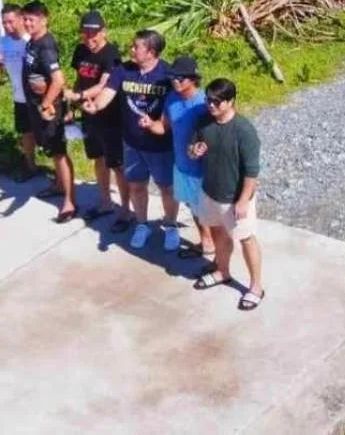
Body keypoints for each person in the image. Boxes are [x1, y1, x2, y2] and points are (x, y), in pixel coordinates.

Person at [94, 29, 179, 251]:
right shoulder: (124, 70)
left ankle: (170, 226)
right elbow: (108, 93)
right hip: (132, 144)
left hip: (161, 146)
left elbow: (178, 104)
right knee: (137, 186)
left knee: (166, 188)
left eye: (136, 46)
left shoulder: (167, 75)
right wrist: (95, 105)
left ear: (151, 52)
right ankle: (142, 225)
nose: (131, 49)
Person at [189, 78, 265, 310]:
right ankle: (222, 271)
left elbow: (252, 171)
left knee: (246, 239)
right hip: (210, 192)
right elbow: (191, 150)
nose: (211, 105)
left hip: (235, 198)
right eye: (208, 100)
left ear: (230, 101)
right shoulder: (204, 122)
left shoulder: (244, 130)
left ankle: (256, 287)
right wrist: (194, 151)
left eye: (216, 102)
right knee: (218, 233)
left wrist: (243, 201)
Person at [67, 10, 123, 221]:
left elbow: (104, 84)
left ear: (104, 32)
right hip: (87, 113)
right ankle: (105, 201)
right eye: (85, 34)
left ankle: (126, 208)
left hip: (108, 114)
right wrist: (74, 105)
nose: (90, 39)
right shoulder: (80, 51)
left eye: (94, 34)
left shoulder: (111, 53)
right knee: (97, 158)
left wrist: (78, 95)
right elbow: (78, 79)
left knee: (116, 163)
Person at [21, 0, 75, 223]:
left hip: (50, 109)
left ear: (44, 20)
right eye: (25, 19)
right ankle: (58, 185)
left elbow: (58, 80)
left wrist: (46, 103)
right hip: (36, 105)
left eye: (31, 20)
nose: (27, 23)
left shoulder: (46, 45)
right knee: (53, 152)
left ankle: (70, 202)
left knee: (60, 153)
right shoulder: (32, 42)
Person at [164, 56, 214, 262]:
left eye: (181, 78)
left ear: (193, 79)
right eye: (173, 77)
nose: (176, 81)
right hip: (182, 166)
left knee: (209, 212)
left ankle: (216, 251)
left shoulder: (204, 104)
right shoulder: (171, 98)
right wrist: (149, 125)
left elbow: (217, 135)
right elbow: (163, 126)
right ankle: (206, 242)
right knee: (193, 208)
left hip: (202, 170)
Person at [0, 3, 35, 179]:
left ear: (21, 19)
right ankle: (30, 166)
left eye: (11, 22)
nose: (8, 27)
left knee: (46, 135)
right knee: (26, 132)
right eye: (4, 23)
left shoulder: (31, 41)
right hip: (19, 96)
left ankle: (57, 175)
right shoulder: (3, 42)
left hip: (36, 97)